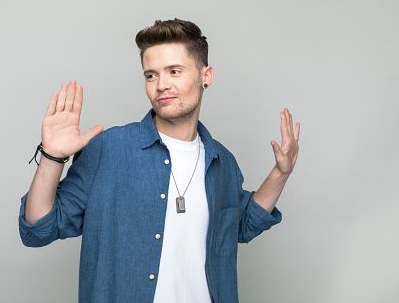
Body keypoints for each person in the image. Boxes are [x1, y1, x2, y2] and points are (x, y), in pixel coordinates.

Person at [19, 19, 300, 303]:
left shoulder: (222, 161)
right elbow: (38, 229)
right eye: (151, 75)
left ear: (206, 76)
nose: (161, 85)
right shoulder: (109, 149)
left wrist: (281, 172)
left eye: (174, 71)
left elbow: (242, 225)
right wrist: (53, 157)